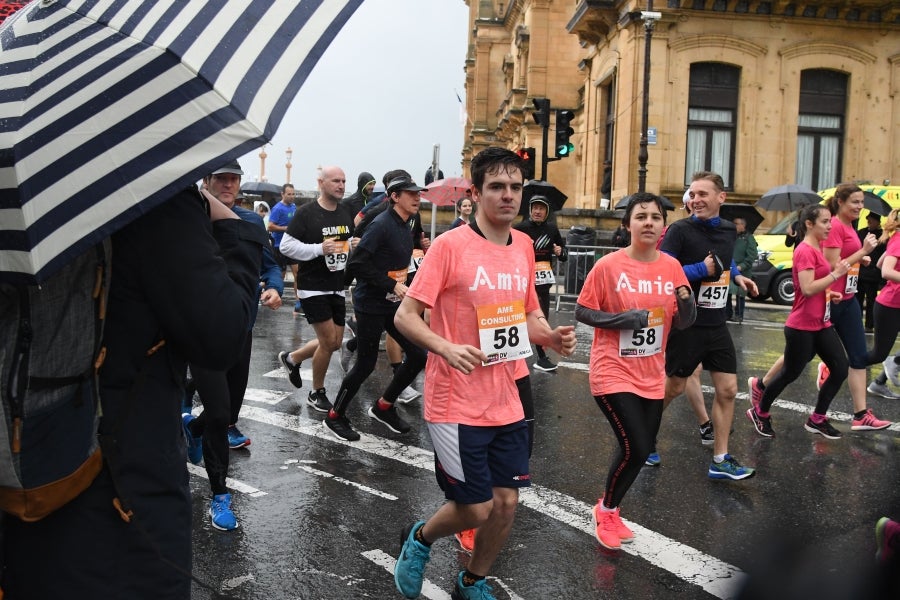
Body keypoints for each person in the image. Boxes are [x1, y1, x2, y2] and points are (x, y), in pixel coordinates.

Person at [1, 184, 265, 598]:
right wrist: (237, 229)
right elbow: (222, 335)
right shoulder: (150, 195)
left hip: (24, 456)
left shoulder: (26, 187)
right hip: (121, 478)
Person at [392, 147, 576, 600]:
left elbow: (529, 313)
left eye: (515, 187)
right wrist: (446, 346)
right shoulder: (450, 246)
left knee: (507, 504)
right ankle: (420, 538)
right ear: (475, 194)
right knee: (475, 508)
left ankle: (471, 580)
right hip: (455, 400)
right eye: (497, 187)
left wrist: (549, 337)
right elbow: (406, 316)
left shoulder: (523, 250)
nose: (508, 196)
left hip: (506, 394)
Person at [575, 193, 695, 550]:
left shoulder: (671, 266)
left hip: (651, 373)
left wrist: (688, 303)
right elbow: (583, 311)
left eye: (655, 217)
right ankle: (606, 510)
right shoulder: (609, 266)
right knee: (638, 445)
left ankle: (610, 508)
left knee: (636, 450)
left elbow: (685, 321)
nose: (648, 222)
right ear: (627, 225)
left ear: (663, 226)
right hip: (612, 370)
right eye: (640, 216)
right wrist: (620, 320)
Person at [182, 160, 283, 530]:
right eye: (220, 178)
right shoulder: (192, 220)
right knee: (220, 413)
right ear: (205, 180)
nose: (227, 184)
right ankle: (220, 496)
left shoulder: (252, 222)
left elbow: (270, 266)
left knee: (228, 414)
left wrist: (275, 287)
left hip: (241, 329)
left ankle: (193, 429)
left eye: (233, 179)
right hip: (203, 332)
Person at [749, 184, 891, 431]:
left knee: (844, 364)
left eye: (861, 202)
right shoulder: (815, 242)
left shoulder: (830, 237)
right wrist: (856, 257)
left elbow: (827, 273)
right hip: (809, 316)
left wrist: (837, 282)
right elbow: (814, 281)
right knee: (794, 367)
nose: (859, 207)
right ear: (811, 224)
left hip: (833, 309)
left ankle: (831, 416)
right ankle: (761, 401)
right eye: (854, 202)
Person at [655, 171, 758, 480]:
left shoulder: (728, 230)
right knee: (673, 387)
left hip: (716, 322)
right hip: (687, 323)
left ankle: (721, 458)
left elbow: (727, 261)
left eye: (703, 194)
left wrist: (738, 276)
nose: (696, 199)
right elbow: (662, 271)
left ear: (720, 198)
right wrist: (702, 269)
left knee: (727, 390)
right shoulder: (679, 231)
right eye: (693, 194)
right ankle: (643, 435)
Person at [322, 175, 429, 441]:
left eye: (418, 194)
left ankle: (384, 406)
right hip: (371, 304)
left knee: (418, 355)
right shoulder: (381, 224)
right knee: (366, 364)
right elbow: (357, 263)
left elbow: (400, 262)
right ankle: (334, 416)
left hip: (393, 304)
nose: (417, 198)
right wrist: (391, 285)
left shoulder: (407, 223)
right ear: (395, 196)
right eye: (411, 193)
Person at [745, 204, 850, 439]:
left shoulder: (818, 248)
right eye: (824, 221)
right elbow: (807, 288)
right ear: (809, 224)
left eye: (830, 221)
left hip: (821, 324)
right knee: (789, 374)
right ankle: (760, 412)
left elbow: (814, 288)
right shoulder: (804, 251)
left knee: (841, 368)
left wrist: (829, 293)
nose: (829, 226)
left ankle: (817, 419)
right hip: (801, 326)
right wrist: (836, 275)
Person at [277, 166, 356, 413]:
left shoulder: (345, 213)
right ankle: (316, 392)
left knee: (334, 342)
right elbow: (286, 247)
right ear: (321, 182)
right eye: (335, 181)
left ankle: (293, 359)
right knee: (329, 340)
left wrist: (352, 245)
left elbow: (342, 248)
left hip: (336, 286)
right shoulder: (305, 213)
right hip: (313, 288)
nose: (341, 185)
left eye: (343, 181)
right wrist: (318, 250)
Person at [514, 195, 568, 371]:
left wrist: (560, 252)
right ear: (530, 210)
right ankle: (516, 354)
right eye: (534, 208)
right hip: (523, 279)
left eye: (541, 208)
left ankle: (542, 357)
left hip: (544, 281)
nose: (537, 211)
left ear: (546, 212)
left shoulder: (552, 229)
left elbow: (564, 254)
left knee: (542, 315)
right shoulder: (520, 228)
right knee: (518, 315)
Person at [864, 209, 900, 398]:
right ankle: (835, 365)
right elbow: (885, 271)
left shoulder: (895, 239)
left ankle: (880, 381)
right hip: (890, 305)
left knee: (881, 353)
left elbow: (879, 263)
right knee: (878, 354)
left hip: (895, 303)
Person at [268, 183, 302, 313]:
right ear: (282, 194)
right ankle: (273, 297)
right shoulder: (277, 208)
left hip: (292, 245)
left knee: (297, 273)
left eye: (293, 194)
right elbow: (270, 226)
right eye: (289, 194)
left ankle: (298, 300)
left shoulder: (294, 207)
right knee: (280, 275)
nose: (292, 196)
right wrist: (285, 229)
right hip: (279, 246)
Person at [725, 216, 758, 323]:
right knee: (728, 292)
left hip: (743, 271)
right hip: (731, 268)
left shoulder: (749, 238)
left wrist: (742, 266)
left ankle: (739, 315)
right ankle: (727, 314)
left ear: (742, 225)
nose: (734, 225)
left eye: (736, 223)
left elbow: (752, 255)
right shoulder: (731, 236)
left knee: (740, 294)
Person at [857, 213, 885, 333]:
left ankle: (869, 325)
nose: (869, 221)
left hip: (873, 273)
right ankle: (856, 323)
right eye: (868, 219)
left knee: (871, 301)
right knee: (857, 300)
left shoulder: (882, 236)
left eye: (872, 220)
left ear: (878, 222)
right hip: (860, 272)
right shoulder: (861, 232)